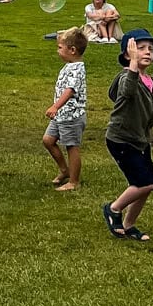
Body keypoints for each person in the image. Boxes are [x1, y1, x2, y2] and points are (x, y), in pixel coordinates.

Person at [102, 29, 153, 243]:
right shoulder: (125, 77)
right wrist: (131, 67)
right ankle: (113, 209)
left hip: (140, 140)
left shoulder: (150, 82)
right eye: (140, 48)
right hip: (121, 139)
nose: (147, 52)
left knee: (146, 186)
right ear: (128, 53)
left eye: (150, 48)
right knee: (144, 183)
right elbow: (127, 92)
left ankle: (129, 225)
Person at [43, 27, 87, 191]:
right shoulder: (70, 65)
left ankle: (74, 182)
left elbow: (70, 90)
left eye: (60, 47)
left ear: (73, 50)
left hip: (71, 116)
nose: (58, 51)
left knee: (71, 146)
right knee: (48, 140)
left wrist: (55, 106)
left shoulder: (77, 69)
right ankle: (65, 170)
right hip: (61, 115)